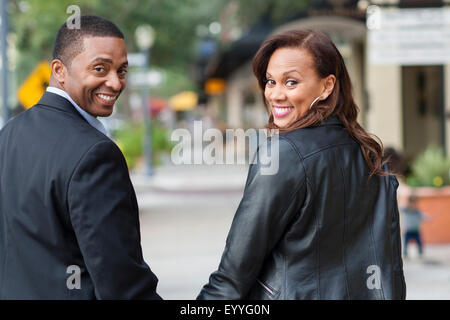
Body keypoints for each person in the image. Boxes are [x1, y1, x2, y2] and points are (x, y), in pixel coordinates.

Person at [197, 29, 406, 300]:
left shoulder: (283, 154)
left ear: (327, 86)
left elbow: (231, 278)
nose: (275, 95)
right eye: (270, 81)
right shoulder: (369, 153)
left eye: (291, 82)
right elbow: (389, 266)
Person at [0, 15, 161, 299]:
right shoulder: (95, 155)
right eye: (100, 69)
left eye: (122, 71)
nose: (115, 83)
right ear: (60, 70)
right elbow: (122, 285)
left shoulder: (8, 134)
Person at [401, 194, 428, 259]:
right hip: (408, 230)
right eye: (412, 203)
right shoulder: (406, 210)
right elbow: (399, 208)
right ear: (409, 203)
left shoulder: (417, 211)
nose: (413, 205)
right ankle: (405, 254)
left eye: (415, 203)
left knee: (419, 242)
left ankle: (420, 253)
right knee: (406, 243)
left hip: (416, 230)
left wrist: (427, 218)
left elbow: (422, 216)